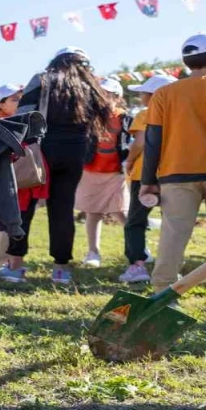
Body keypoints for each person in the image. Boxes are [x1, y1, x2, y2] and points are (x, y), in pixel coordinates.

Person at [142, 32, 206, 313]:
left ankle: (164, 296)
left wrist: (148, 182)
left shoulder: (164, 93)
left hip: (175, 175)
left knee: (173, 236)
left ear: (187, 62)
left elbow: (153, 141)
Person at [4, 47, 113, 284]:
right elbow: (99, 121)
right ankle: (61, 269)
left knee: (25, 207)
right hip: (75, 153)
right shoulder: (90, 86)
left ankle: (15, 266)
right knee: (63, 210)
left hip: (41, 151)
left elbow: (23, 115)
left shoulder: (42, 79)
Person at [118, 74, 176, 283]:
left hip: (145, 174)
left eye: (143, 92)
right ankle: (170, 267)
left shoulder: (146, 113)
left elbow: (140, 141)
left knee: (135, 221)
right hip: (174, 174)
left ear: (153, 95)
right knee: (173, 222)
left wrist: (130, 161)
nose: (141, 96)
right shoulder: (180, 114)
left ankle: (137, 266)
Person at [76, 77, 130, 268]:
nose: (105, 98)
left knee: (119, 210)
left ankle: (138, 247)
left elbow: (130, 143)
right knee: (93, 212)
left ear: (118, 97)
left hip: (116, 172)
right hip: (90, 170)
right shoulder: (88, 117)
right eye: (101, 94)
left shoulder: (125, 118)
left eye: (109, 95)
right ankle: (93, 252)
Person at [0, 84, 23, 271]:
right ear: (1, 104)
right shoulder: (0, 124)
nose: (19, 103)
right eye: (14, 99)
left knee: (2, 222)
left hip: (7, 176)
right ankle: (0, 263)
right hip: (2, 177)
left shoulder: (8, 121)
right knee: (8, 221)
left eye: (20, 99)